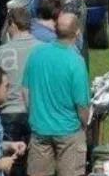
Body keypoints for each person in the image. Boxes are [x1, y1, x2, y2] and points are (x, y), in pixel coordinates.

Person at [23, 14, 90, 176]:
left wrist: (34, 114)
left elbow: (25, 92)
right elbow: (82, 104)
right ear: (77, 33)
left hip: (40, 130)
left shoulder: (36, 54)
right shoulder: (76, 61)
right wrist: (84, 125)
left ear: (54, 30)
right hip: (68, 131)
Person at [0, 8, 38, 146]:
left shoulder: (2, 51)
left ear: (13, 24)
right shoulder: (43, 49)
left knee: (10, 160)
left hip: (8, 112)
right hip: (37, 113)